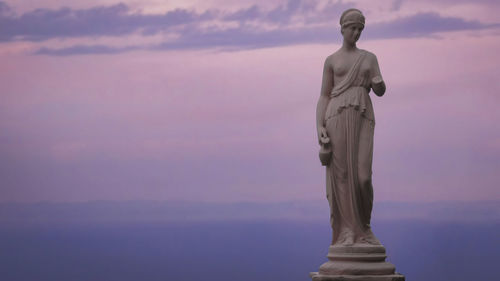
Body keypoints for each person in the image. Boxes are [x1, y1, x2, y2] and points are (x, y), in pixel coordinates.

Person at [316, 8, 386, 246]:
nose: (356, 33)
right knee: (342, 176)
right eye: (353, 28)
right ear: (342, 28)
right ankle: (347, 231)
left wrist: (378, 84)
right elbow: (324, 96)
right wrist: (319, 127)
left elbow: (380, 89)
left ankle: (364, 229)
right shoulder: (332, 61)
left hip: (362, 114)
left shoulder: (369, 58)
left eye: (360, 29)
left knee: (363, 176)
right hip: (335, 116)